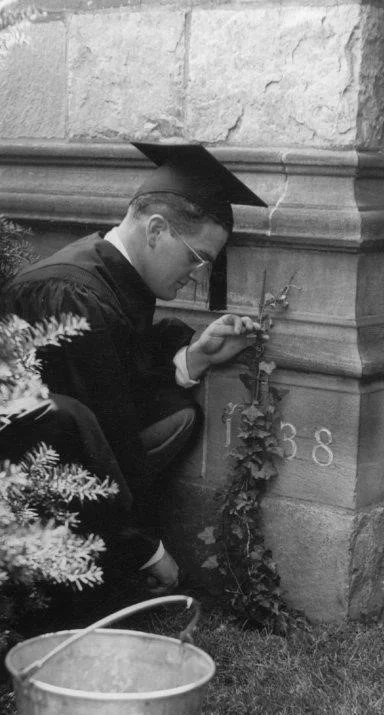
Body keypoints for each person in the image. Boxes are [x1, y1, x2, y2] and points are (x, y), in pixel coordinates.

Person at [0, 142, 267, 594]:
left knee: (176, 412)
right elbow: (95, 429)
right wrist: (148, 550)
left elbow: (123, 379)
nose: (199, 276)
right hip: (19, 482)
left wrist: (197, 355)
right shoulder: (72, 294)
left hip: (48, 463)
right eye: (197, 257)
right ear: (157, 229)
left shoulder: (107, 276)